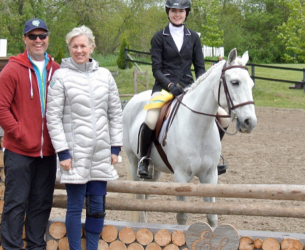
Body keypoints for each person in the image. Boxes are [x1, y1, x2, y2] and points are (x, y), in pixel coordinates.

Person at [46, 25, 123, 250]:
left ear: (91, 47)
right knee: (75, 206)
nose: (79, 50)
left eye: (83, 46)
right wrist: (63, 152)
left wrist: (115, 147)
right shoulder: (60, 77)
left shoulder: (105, 76)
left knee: (97, 205)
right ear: (69, 48)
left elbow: (115, 113)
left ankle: (92, 247)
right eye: (75, 46)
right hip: (74, 154)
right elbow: (53, 118)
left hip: (101, 153)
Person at [138, 0, 228, 179]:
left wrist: (200, 85)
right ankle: (145, 158)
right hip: (164, 87)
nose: (177, 14)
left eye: (181, 11)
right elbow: (156, 69)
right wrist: (170, 86)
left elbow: (200, 67)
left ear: (186, 13)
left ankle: (213, 157)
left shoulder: (194, 37)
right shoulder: (158, 37)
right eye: (173, 10)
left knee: (224, 118)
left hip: (189, 87)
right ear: (168, 12)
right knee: (150, 118)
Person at [0, 18, 60, 250]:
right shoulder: (13, 69)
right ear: (24, 39)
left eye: (42, 36)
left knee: (41, 203)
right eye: (33, 36)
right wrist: (20, 133)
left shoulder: (57, 71)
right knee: (15, 203)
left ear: (48, 38)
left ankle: (35, 246)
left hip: (48, 151)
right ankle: (11, 247)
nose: (38, 40)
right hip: (20, 150)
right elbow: (0, 109)